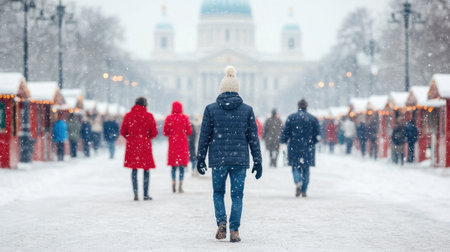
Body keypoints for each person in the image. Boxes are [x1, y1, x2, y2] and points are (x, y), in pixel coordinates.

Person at [197, 66, 262, 243]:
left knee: (218, 193)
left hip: (218, 159)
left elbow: (204, 136)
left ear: (221, 89)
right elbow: (253, 138)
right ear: (238, 89)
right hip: (240, 160)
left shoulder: (210, 109)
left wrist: (200, 158)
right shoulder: (247, 110)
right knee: (237, 196)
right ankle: (234, 230)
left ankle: (221, 223)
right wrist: (258, 160)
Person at [121, 97, 158, 201]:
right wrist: (146, 137)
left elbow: (123, 131)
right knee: (146, 169)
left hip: (132, 145)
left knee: (134, 169)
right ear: (145, 105)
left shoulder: (128, 116)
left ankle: (135, 193)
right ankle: (146, 194)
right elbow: (154, 132)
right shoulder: (149, 116)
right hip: (145, 145)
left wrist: (131, 138)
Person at [281, 99, 319, 198]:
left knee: (295, 167)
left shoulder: (291, 118)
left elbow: (285, 132)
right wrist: (312, 142)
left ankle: (298, 182)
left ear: (298, 106)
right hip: (308, 147)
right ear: (306, 106)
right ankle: (304, 190)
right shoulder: (313, 119)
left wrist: (284, 140)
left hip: (294, 146)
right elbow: (317, 135)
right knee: (306, 169)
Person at [163, 101, 192, 193]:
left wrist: (172, 133)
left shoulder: (169, 118)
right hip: (182, 144)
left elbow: (165, 132)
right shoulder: (185, 118)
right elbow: (189, 131)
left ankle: (173, 182)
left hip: (173, 144)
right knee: (182, 166)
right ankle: (180, 184)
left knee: (173, 166)